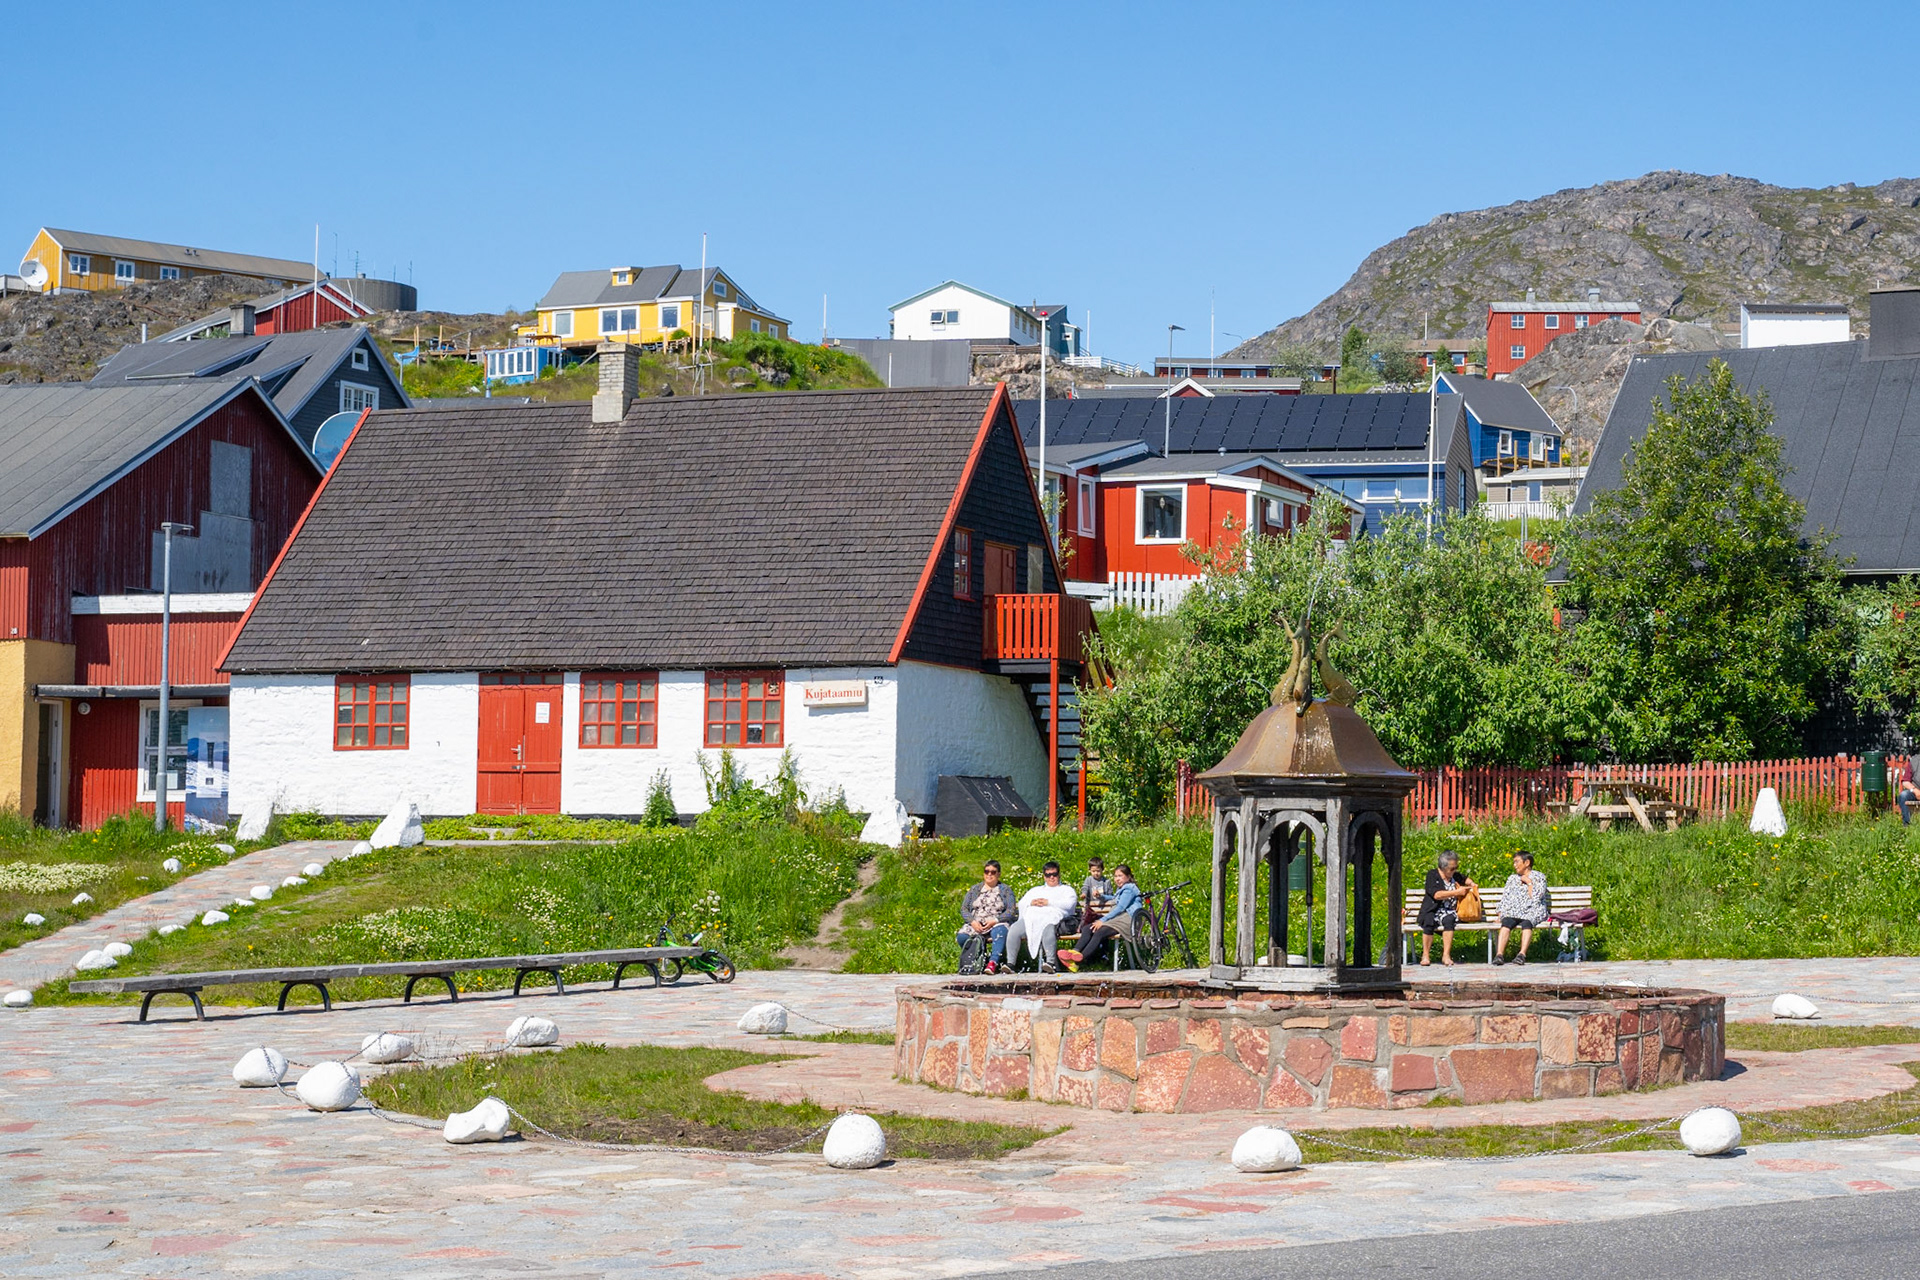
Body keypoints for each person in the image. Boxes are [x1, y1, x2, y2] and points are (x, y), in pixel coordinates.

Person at [1058, 864, 1142, 970]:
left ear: (1128, 876)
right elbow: (1115, 898)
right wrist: (1101, 897)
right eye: (1115, 876)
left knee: (1099, 931)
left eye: (1120, 876)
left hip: (1128, 920)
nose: (1117, 879)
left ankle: (1078, 960)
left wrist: (1102, 920)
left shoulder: (1129, 889)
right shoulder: (1122, 889)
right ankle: (1076, 951)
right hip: (1117, 919)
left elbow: (1120, 907)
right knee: (1088, 928)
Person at [1006, 862, 1078, 973]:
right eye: (1048, 875)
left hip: (1052, 920)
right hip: (1032, 920)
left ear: (1059, 874)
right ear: (1044, 876)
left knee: (1048, 930)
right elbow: (1021, 903)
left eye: (1054, 874)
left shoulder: (1067, 890)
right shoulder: (1035, 890)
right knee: (1014, 929)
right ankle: (1010, 964)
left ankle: (1050, 962)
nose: (1052, 877)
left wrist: (1048, 902)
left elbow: (1069, 904)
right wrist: (1031, 902)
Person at [1417, 850, 1475, 967]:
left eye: (1456, 867)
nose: (1454, 870)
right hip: (1433, 909)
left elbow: (1466, 879)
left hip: (1449, 911)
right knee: (1428, 921)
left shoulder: (1455, 876)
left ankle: (1446, 955)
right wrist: (1456, 892)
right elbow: (1436, 894)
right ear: (1443, 867)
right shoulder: (1432, 875)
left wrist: (1472, 884)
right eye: (1452, 868)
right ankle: (1426, 955)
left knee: (1449, 920)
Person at [1491, 850, 1549, 965]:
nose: (1514, 865)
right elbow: (1505, 897)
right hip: (1514, 911)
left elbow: (1537, 896)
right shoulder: (1512, 878)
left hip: (1533, 910)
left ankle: (1522, 954)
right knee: (1506, 922)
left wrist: (1528, 882)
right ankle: (1499, 955)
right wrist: (1500, 914)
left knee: (1527, 923)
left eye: (1517, 862)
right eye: (1514, 862)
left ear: (1527, 862)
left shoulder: (1539, 877)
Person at [957, 860, 1016, 974]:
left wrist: (995, 921)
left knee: (1000, 932)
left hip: (996, 921)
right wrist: (972, 922)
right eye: (986, 871)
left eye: (993, 872)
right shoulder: (975, 889)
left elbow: (1011, 910)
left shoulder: (1006, 890)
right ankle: (978, 960)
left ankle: (993, 962)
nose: (989, 874)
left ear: (998, 874)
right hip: (977, 922)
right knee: (962, 936)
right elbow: (964, 909)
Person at [1079, 857, 1115, 934]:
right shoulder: (1089, 880)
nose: (1096, 873)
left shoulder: (1106, 881)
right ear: (1090, 871)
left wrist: (1100, 896)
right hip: (1091, 911)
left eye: (1098, 871)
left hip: (1104, 910)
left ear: (1102, 870)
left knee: (1101, 929)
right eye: (1093, 871)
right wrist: (1084, 894)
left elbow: (1111, 895)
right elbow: (1085, 887)